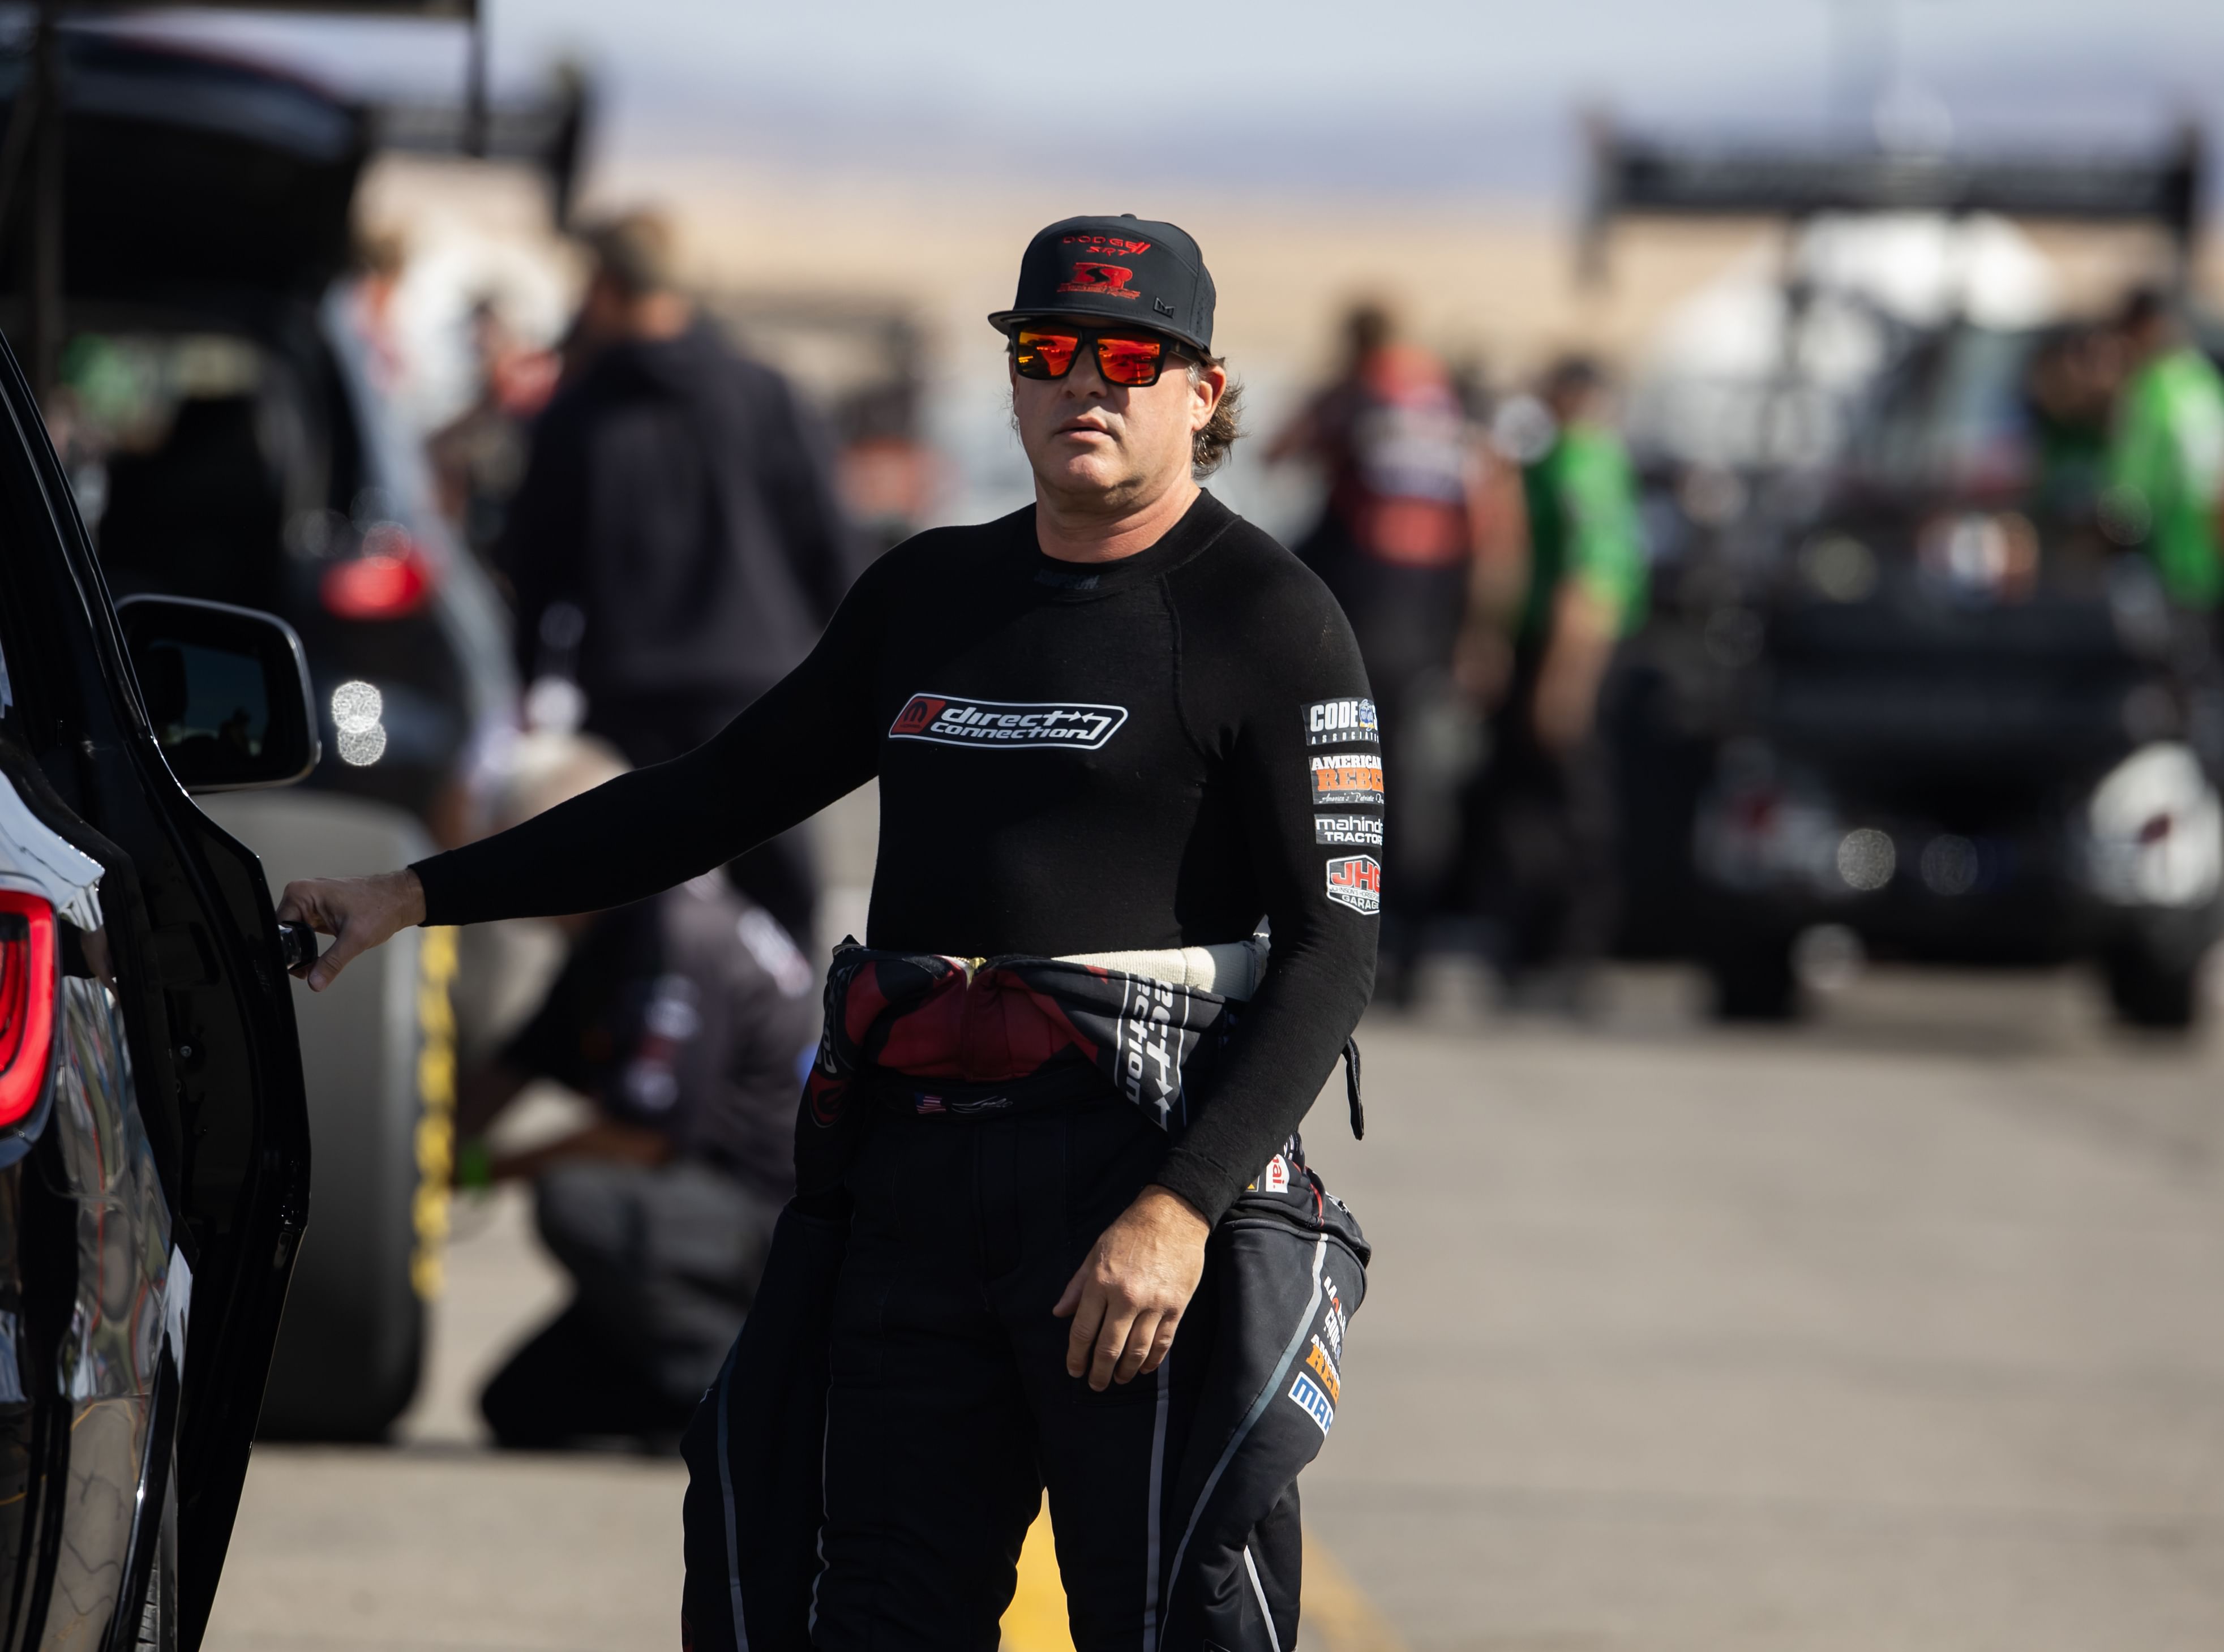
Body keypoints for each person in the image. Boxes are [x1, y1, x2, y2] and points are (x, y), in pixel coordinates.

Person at [276, 213, 1378, 1650]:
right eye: (1049, 352)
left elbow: (1334, 950)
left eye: (1128, 357)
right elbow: (701, 804)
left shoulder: (1271, 619)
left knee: (1173, 1616)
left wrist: (1177, 1215)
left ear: (1205, 391)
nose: (1085, 386)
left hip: (1130, 1182)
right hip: (911, 1180)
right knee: (858, 1612)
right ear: (1014, 379)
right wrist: (412, 895)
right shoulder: (929, 596)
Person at [499, 210, 865, 947]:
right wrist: (854, 666)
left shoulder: (576, 417)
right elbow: (830, 545)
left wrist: (527, 683)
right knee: (782, 911)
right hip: (760, 690)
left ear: (605, 288)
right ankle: (786, 1055)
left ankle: (644, 1056)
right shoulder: (765, 394)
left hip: (631, 699)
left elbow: (534, 569)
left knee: (631, 911)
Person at [453, 735, 820, 1449]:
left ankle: (752, 1397)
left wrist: (468, 1170)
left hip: (767, 1219)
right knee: (521, 1406)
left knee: (578, 1196)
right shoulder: (614, 926)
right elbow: (515, 1066)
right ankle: (699, 1392)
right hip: (699, 1212)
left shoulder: (677, 932)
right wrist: (414, 1152)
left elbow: (641, 1139)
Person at [1270, 303, 1492, 994]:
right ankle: (1410, 942)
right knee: (1411, 780)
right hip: (1431, 610)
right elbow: (1488, 519)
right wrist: (1478, 630)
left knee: (1341, 777)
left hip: (1363, 605)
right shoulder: (1445, 399)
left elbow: (1279, 452)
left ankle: (1345, 934)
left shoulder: (1359, 391)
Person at [1459, 355, 1646, 1006]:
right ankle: (1539, 949)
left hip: (1569, 653)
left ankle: (1565, 952)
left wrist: (1564, 680)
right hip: (1556, 649)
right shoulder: (1576, 460)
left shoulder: (1577, 461)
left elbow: (1586, 582)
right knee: (1533, 805)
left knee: (1565, 808)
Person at [2102, 288, 2224, 612]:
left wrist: (2111, 542)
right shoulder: (2204, 379)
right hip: (2209, 550)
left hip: (2171, 554)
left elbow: (2132, 488)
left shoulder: (2150, 388)